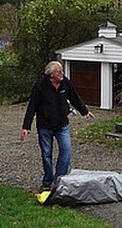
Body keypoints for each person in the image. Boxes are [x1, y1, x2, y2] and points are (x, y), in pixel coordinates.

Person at [20, 60, 94, 189]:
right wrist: (26, 126)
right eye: (59, 71)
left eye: (62, 71)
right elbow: (32, 106)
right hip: (45, 126)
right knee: (46, 154)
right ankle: (47, 181)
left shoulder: (65, 83)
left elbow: (74, 98)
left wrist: (85, 111)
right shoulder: (40, 85)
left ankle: (59, 180)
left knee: (66, 150)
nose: (62, 74)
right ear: (51, 74)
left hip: (62, 125)